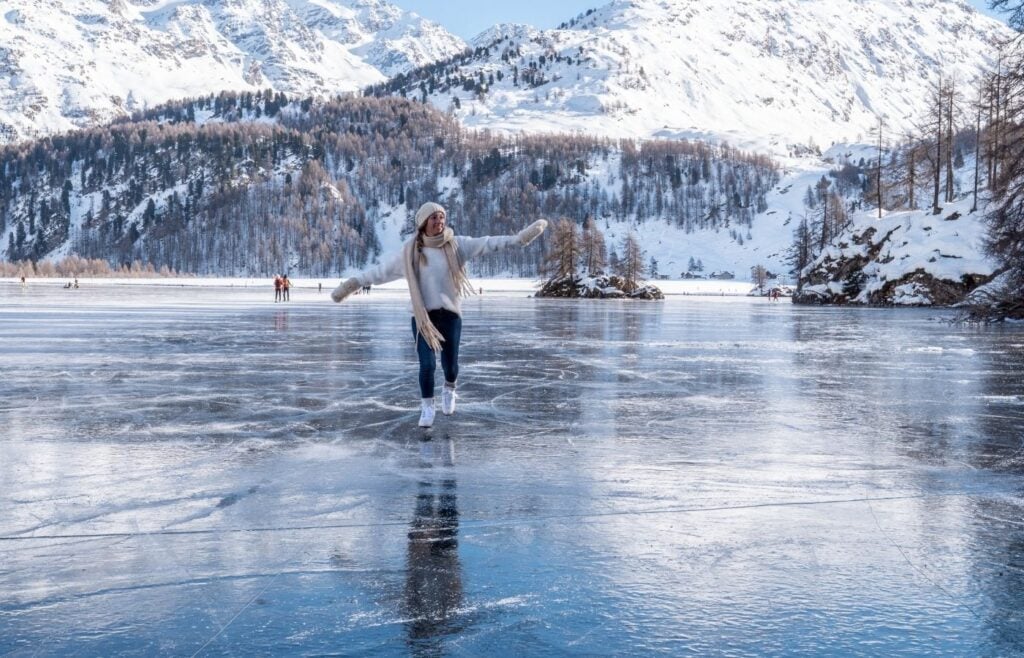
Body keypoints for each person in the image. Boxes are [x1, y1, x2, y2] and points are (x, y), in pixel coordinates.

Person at [332, 201, 546, 427]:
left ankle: (449, 388)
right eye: (434, 218)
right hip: (423, 318)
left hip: (450, 316)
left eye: (442, 217)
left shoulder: (457, 245)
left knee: (450, 365)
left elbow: (488, 243)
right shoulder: (410, 252)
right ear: (424, 223)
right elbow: (379, 272)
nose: (439, 222)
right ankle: (427, 406)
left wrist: (519, 238)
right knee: (427, 365)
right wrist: (352, 284)